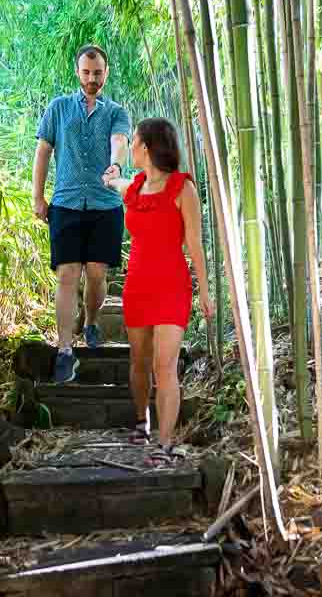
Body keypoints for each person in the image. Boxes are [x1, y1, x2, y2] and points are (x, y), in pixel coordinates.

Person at [103, 118, 214, 464]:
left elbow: (195, 245)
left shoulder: (183, 189)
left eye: (133, 141)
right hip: (137, 285)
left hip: (171, 287)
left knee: (164, 366)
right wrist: (109, 178)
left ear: (147, 148)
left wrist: (205, 293)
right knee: (139, 361)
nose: (131, 147)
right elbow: (118, 184)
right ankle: (142, 421)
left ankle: (164, 444)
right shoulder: (135, 188)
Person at [33, 44, 132, 383]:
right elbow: (43, 152)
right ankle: (64, 351)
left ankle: (90, 320)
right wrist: (38, 197)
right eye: (87, 73)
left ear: (106, 73)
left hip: (105, 204)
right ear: (78, 73)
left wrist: (116, 164)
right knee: (67, 275)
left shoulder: (116, 111)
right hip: (66, 203)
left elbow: (120, 141)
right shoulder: (57, 109)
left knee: (96, 274)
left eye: (98, 73)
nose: (92, 79)